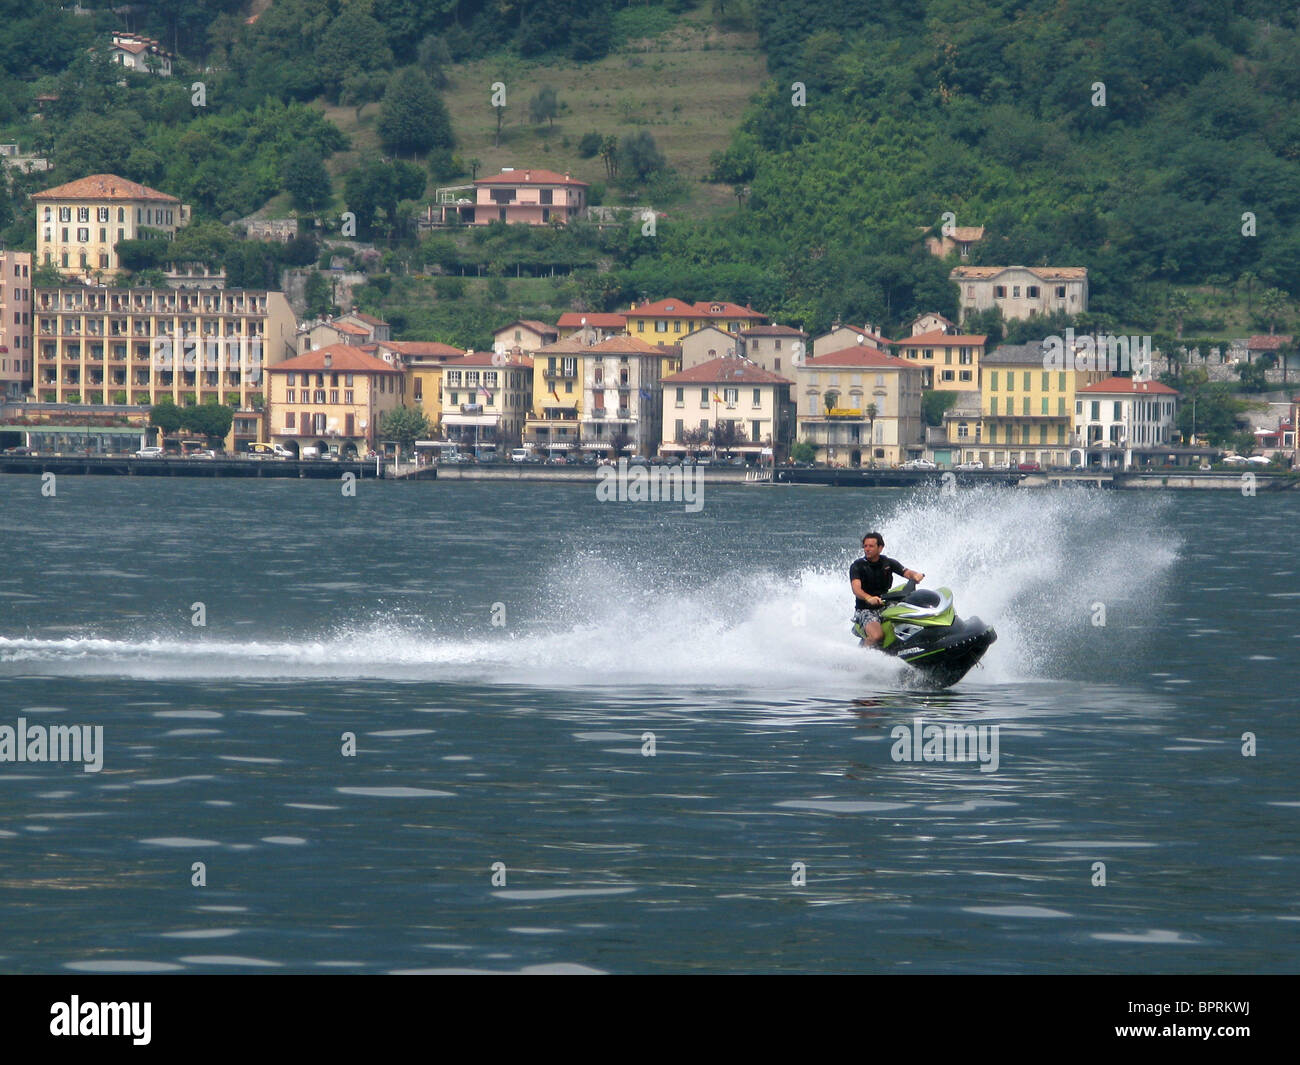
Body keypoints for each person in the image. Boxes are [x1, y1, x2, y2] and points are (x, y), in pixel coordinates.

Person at [850, 531, 925, 647]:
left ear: (880, 548)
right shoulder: (857, 566)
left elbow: (906, 572)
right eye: (865, 546)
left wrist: (915, 575)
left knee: (912, 616)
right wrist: (868, 598)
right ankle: (860, 659)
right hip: (866, 609)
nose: (867, 549)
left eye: (871, 546)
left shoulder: (888, 562)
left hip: (885, 604)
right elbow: (856, 589)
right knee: (877, 636)